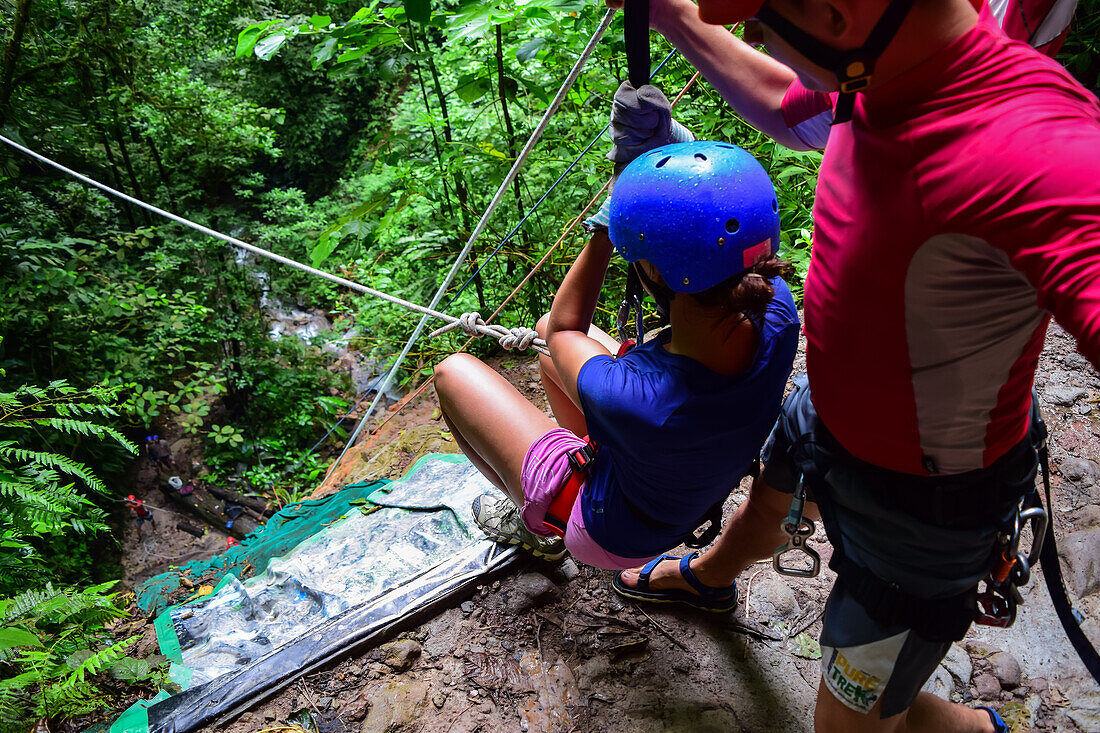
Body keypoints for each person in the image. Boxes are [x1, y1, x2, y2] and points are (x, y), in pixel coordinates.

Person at [605, 0, 1100, 729]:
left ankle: (984, 726)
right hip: (829, 415)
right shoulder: (896, 58)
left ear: (834, 16)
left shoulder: (1033, 146)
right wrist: (671, 14)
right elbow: (783, 100)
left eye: (758, 21)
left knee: (850, 725)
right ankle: (710, 577)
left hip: (922, 518)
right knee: (768, 505)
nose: (752, 36)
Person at [433, 139, 799, 589]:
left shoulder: (629, 394)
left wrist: (608, 226)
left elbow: (564, 330)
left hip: (612, 534)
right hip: (690, 487)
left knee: (453, 372)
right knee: (555, 344)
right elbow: (560, 329)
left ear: (653, 271)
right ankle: (574, 463)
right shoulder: (778, 309)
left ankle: (539, 526)